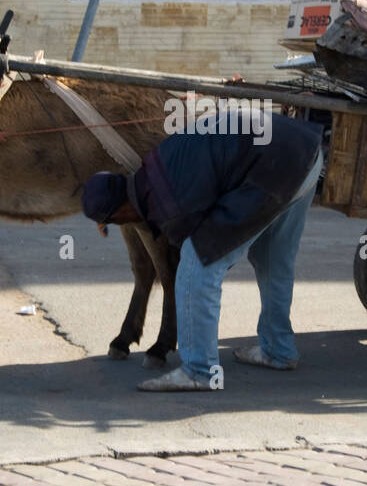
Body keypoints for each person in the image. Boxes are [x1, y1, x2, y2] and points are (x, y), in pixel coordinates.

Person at [82, 104, 324, 392]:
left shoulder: (166, 198)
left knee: (196, 268)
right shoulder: (155, 167)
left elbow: (199, 242)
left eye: (110, 222)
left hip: (274, 166)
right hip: (306, 153)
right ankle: (278, 350)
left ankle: (199, 370)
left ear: (120, 213)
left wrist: (201, 255)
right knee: (272, 257)